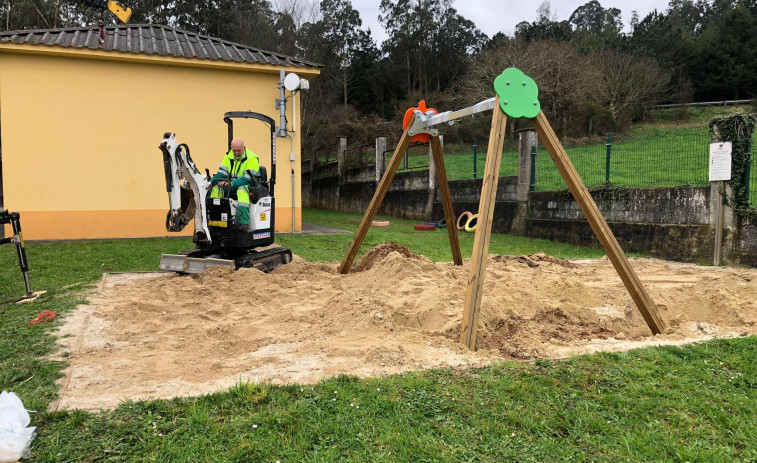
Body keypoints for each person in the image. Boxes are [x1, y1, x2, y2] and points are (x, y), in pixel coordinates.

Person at [209, 138, 260, 229]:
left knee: (241, 190)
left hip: (249, 185)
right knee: (216, 188)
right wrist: (211, 182)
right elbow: (222, 173)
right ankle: (216, 219)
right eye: (234, 150)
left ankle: (243, 223)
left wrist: (231, 184)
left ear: (244, 147)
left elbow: (247, 179)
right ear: (231, 148)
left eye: (238, 150)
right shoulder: (229, 156)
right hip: (232, 184)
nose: (236, 153)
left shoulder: (252, 158)